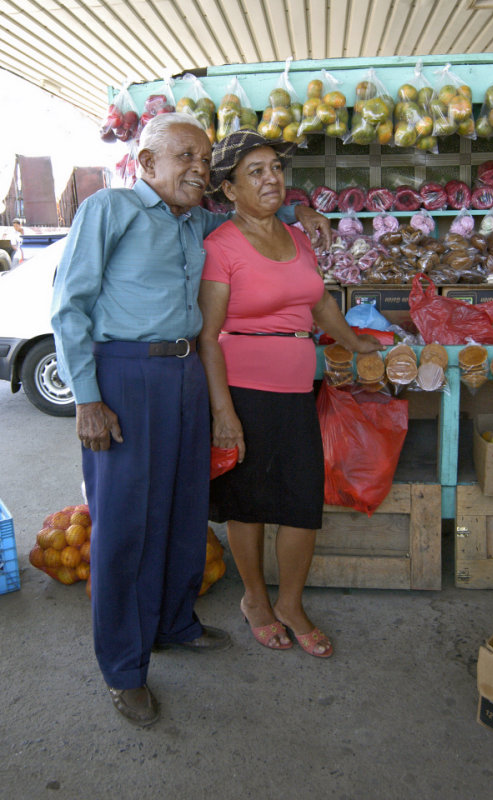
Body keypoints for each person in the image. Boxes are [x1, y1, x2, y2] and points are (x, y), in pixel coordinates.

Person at [50, 112, 332, 726]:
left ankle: (175, 623)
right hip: (124, 375)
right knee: (125, 524)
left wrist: (299, 208)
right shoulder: (111, 210)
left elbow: (255, 212)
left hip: (186, 376)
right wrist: (86, 398)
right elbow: (68, 305)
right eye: (184, 156)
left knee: (183, 508)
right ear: (146, 163)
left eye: (204, 159)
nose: (198, 169)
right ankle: (125, 667)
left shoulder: (198, 221)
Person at [198, 131, 383, 659]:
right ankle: (256, 600)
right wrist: (223, 413)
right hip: (244, 391)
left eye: (274, 168)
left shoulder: (298, 237)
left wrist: (354, 340)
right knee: (249, 504)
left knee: (301, 503)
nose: (271, 178)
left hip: (297, 389)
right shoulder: (221, 246)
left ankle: (292, 604)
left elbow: (319, 303)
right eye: (254, 171)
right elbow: (208, 336)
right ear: (229, 190)